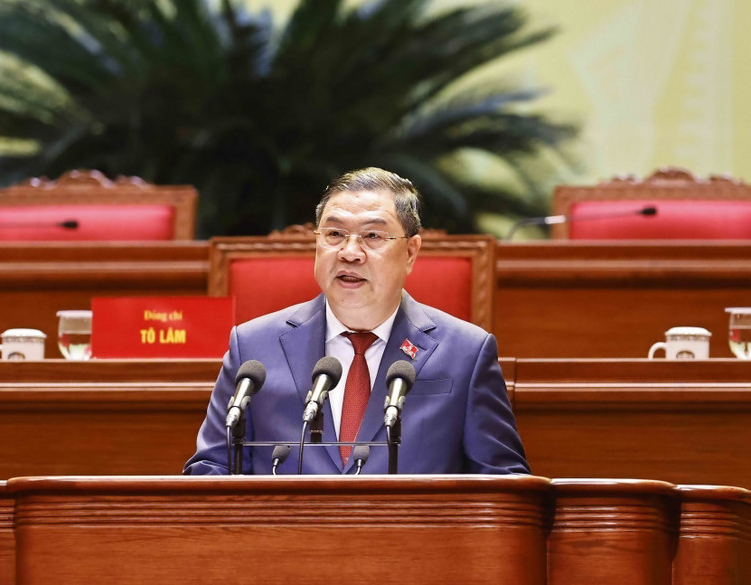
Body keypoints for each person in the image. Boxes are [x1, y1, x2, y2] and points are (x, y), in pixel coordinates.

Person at [183, 167, 528, 475]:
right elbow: (211, 471)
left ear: (410, 252)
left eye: (372, 236)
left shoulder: (466, 352)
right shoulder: (253, 347)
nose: (350, 252)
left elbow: (504, 487)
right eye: (334, 234)